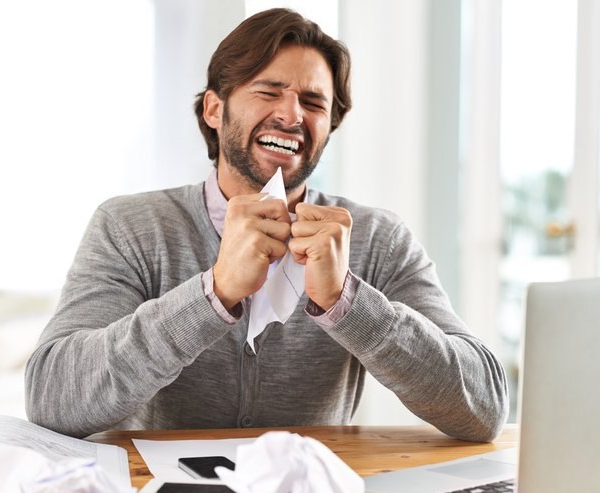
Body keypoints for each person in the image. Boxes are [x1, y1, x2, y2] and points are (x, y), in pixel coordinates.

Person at [25, 8, 508, 441]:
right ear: (214, 109)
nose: (292, 115)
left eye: (314, 103)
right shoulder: (130, 226)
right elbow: (52, 400)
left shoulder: (379, 239)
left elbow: (484, 409)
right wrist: (213, 293)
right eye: (268, 91)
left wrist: (348, 302)